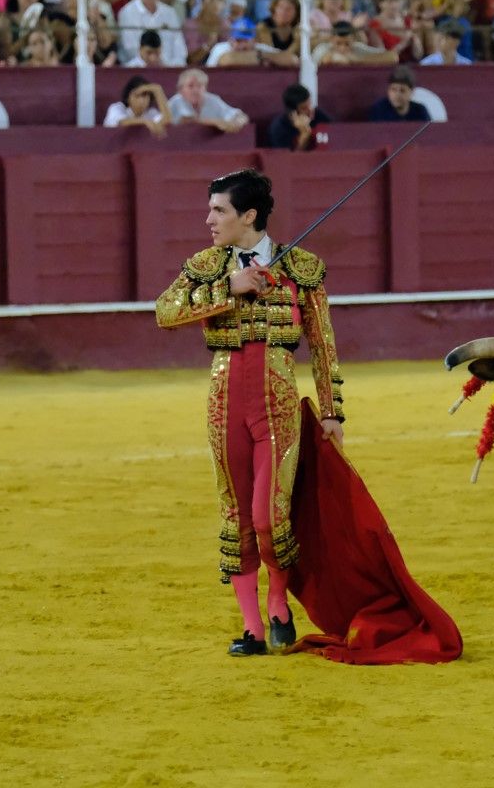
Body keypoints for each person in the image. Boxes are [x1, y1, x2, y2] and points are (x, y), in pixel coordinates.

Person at [152, 167, 344, 655]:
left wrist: (333, 412)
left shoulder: (301, 267)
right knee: (235, 514)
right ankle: (252, 627)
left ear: (249, 215)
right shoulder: (208, 266)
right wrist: (229, 287)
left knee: (267, 516)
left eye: (219, 210)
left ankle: (278, 601)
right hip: (224, 403)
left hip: (276, 401)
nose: (209, 219)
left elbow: (322, 347)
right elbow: (165, 311)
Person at [169, 67, 250, 131]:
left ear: (205, 89)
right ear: (181, 90)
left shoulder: (213, 100)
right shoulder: (175, 101)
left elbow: (239, 115)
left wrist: (238, 122)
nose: (196, 90)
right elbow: (188, 121)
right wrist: (218, 123)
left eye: (200, 86)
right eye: (190, 86)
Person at [268, 82, 332, 151]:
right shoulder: (279, 128)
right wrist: (304, 135)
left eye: (310, 104)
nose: (310, 110)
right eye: (304, 108)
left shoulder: (319, 115)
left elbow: (335, 133)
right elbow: (288, 160)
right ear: (292, 112)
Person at [103, 74, 171, 136]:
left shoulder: (151, 112)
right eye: (137, 96)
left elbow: (167, 122)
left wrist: (158, 90)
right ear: (128, 98)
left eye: (144, 96)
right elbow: (121, 122)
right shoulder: (116, 107)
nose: (141, 100)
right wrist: (145, 121)